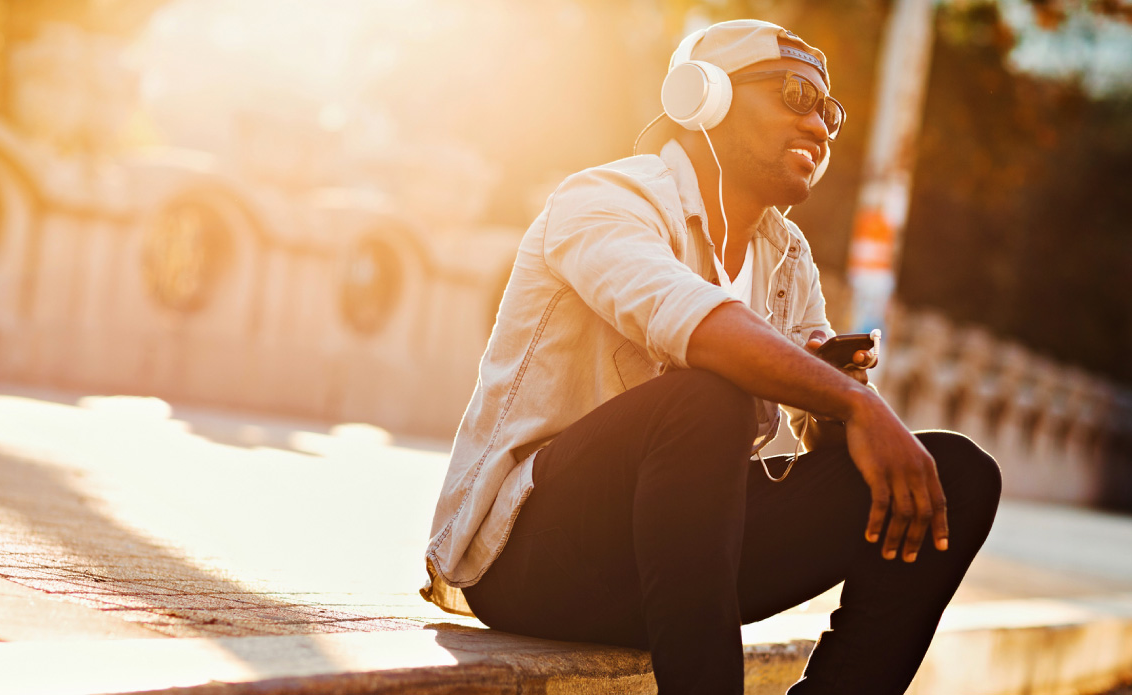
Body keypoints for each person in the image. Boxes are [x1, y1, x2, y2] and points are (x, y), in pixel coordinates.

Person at [421, 18, 1002, 695]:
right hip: (534, 556)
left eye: (830, 112)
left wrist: (833, 403)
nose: (819, 126)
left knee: (954, 477)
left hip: (681, 562)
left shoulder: (786, 259)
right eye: (794, 94)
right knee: (706, 398)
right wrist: (852, 400)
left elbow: (822, 439)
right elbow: (690, 322)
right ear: (704, 97)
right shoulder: (606, 199)